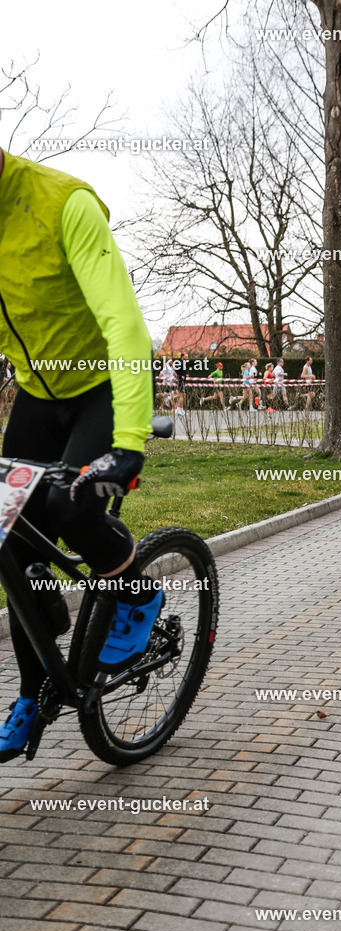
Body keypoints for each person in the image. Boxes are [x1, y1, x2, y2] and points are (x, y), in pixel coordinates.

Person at [0, 147, 158, 761]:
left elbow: (124, 325)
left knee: (73, 506)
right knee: (10, 533)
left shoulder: (64, 201)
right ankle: (36, 691)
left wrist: (128, 444)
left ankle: (139, 594)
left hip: (102, 389)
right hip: (38, 395)